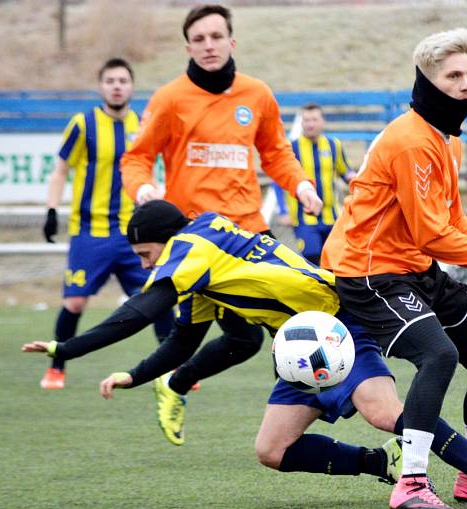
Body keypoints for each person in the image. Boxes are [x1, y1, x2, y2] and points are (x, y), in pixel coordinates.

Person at [22, 200, 467, 509]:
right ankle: (386, 463)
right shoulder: (204, 256)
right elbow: (182, 341)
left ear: (160, 239)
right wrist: (134, 375)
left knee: (382, 410)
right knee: (272, 449)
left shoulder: (189, 246)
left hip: (336, 321)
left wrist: (66, 349)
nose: (142, 262)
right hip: (297, 343)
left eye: (142, 252)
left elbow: (142, 308)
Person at [320, 28, 467, 509]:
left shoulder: (445, 141)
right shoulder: (410, 141)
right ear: (427, 80)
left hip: (415, 268)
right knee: (439, 355)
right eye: (454, 76)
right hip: (370, 272)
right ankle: (410, 483)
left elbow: (451, 221)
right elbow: (430, 232)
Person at [118, 4, 323, 407]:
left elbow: (276, 153)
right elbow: (136, 157)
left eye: (215, 37)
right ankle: (179, 382)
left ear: (231, 41)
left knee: (297, 316)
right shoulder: (170, 99)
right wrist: (142, 189)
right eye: (199, 39)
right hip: (197, 241)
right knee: (243, 338)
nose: (208, 45)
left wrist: (300, 184)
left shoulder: (257, 94)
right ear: (188, 47)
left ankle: (302, 403)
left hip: (248, 232)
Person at [39, 57, 174, 390]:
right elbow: (60, 170)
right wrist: (52, 209)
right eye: (111, 80)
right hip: (91, 232)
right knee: (75, 302)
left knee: (157, 296)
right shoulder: (83, 123)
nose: (117, 86)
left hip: (135, 233)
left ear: (131, 86)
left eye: (123, 80)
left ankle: (173, 367)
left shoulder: (143, 125)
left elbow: (154, 168)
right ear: (101, 86)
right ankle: (57, 367)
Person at [272, 103, 355, 265]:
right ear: (301, 123)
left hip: (332, 216)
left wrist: (360, 185)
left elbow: (345, 172)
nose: (310, 124)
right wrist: (283, 210)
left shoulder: (334, 145)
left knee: (336, 259)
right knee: (312, 254)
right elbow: (278, 181)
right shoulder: (292, 147)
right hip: (304, 217)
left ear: (323, 122)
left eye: (314, 120)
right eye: (306, 120)